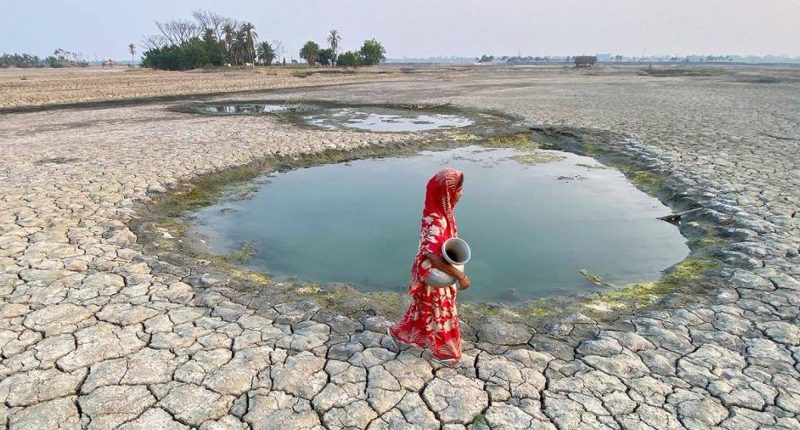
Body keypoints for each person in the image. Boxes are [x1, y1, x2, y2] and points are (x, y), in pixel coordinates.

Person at [388, 168, 470, 367]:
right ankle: (446, 353)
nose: (461, 193)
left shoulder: (441, 213)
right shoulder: (437, 220)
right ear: (446, 192)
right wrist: (460, 276)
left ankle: (401, 334)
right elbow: (431, 256)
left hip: (435, 273)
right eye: (458, 189)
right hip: (434, 275)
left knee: (422, 308)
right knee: (442, 313)